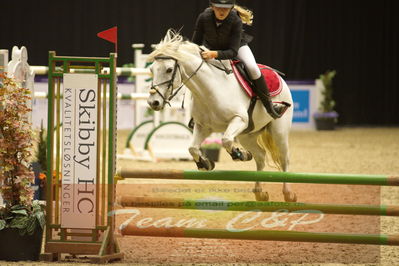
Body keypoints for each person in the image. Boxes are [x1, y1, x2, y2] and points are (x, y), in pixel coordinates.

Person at [192, 0, 287, 119]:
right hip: (211, 47)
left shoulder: (235, 21)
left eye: (226, 8)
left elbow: (233, 52)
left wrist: (214, 54)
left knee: (253, 68)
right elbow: (195, 43)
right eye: (219, 7)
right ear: (212, 7)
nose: (222, 11)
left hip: (236, 47)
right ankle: (194, 114)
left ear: (231, 8)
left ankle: (269, 106)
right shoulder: (203, 18)